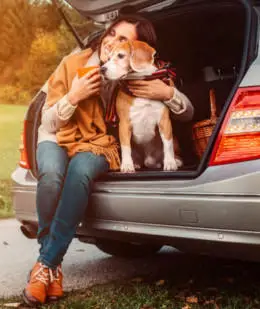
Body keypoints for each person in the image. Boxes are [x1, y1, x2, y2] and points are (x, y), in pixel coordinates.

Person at [23, 14, 194, 307]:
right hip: (57, 137)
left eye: (123, 39)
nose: (112, 41)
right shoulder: (72, 64)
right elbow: (48, 124)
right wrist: (74, 96)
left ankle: (45, 267)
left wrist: (168, 93)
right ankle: (50, 265)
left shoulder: (135, 75)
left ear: (137, 49)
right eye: (112, 33)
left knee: (80, 173)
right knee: (51, 174)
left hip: (99, 145)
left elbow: (187, 113)